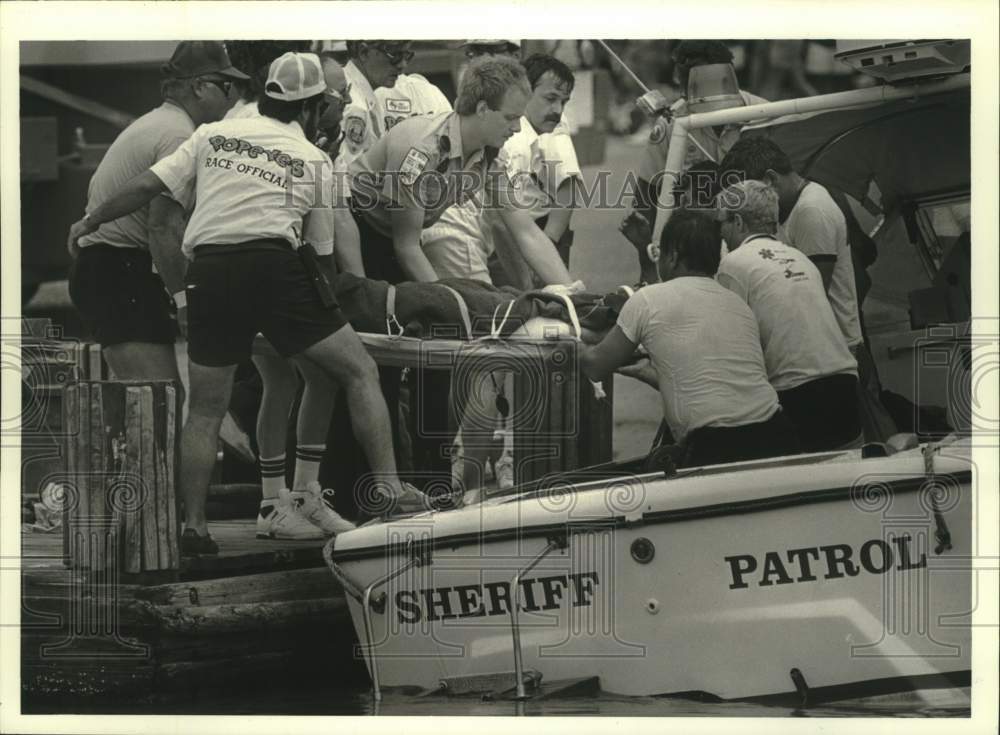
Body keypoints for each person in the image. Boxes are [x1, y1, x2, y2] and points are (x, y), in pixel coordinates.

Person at [67, 52, 416, 555]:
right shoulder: (315, 160)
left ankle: (193, 528)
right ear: (314, 110)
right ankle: (388, 491)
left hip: (208, 269)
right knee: (356, 370)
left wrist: (90, 221)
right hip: (274, 263)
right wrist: (322, 319)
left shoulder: (212, 136)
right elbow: (317, 258)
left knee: (205, 409)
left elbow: (146, 186)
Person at [222, 43, 363, 540]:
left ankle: (281, 500)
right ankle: (292, 497)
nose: (342, 102)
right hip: (273, 271)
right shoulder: (303, 145)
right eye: (335, 95)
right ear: (311, 102)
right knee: (330, 374)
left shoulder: (238, 122)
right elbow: (323, 242)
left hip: (233, 267)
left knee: (286, 380)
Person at [68, 41, 245, 402]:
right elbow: (162, 228)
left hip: (117, 271)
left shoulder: (160, 122)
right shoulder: (178, 135)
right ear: (199, 86)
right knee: (160, 407)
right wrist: (184, 303)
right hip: (119, 274)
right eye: (227, 87)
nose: (233, 98)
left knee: (153, 409)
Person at [580, 209, 800, 468]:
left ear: (672, 256)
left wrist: (570, 342)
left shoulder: (646, 301)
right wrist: (644, 371)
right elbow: (713, 384)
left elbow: (594, 365)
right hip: (778, 433)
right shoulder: (737, 304)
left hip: (716, 445)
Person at [716, 180, 862, 451]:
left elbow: (732, 345)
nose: (720, 234)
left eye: (720, 222)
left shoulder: (733, 263)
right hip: (845, 383)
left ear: (737, 222)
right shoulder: (799, 257)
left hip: (798, 391)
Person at [628, 41, 767, 281]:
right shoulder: (671, 123)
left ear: (728, 75)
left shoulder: (762, 114)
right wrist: (651, 261)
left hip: (751, 232)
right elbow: (648, 193)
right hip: (697, 240)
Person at [718, 136, 863, 352]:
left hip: (835, 347)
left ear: (769, 180)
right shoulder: (787, 209)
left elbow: (810, 294)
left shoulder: (811, 211)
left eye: (750, 193)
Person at [487, 53, 583, 284]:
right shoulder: (517, 141)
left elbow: (568, 184)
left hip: (528, 236)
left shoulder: (542, 128)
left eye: (564, 101)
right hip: (508, 240)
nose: (558, 110)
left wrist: (547, 244)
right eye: (550, 98)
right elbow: (501, 221)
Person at [338, 40, 415, 166]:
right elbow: (352, 177)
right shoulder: (356, 106)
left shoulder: (357, 91)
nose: (402, 65)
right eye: (395, 55)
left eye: (406, 56)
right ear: (364, 52)